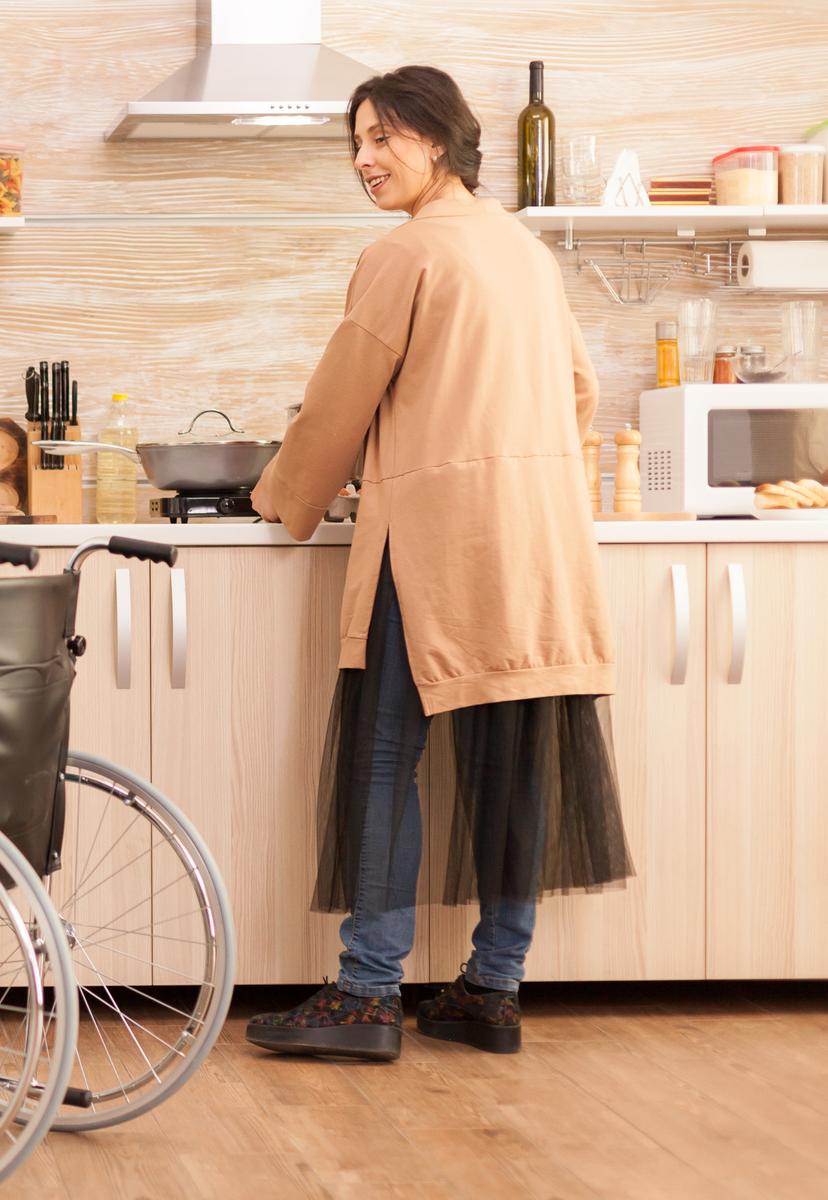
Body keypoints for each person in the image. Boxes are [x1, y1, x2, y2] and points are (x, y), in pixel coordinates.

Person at [244, 66, 632, 1061]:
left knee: (384, 761)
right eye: (357, 143)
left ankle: (369, 993)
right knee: (514, 770)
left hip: (434, 542)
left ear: (439, 140)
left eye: (383, 138)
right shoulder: (526, 252)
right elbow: (580, 391)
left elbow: (340, 406)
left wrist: (283, 494)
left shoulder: (405, 254)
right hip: (535, 540)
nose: (366, 160)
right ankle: (492, 988)